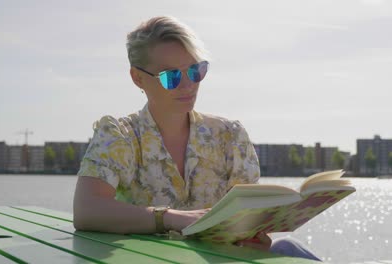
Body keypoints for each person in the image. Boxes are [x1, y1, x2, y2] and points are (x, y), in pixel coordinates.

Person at [73, 16, 321, 261]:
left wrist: (255, 236)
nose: (188, 85)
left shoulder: (230, 136)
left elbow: (248, 219)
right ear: (138, 78)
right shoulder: (120, 136)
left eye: (195, 71)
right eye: (171, 76)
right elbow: (86, 210)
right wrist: (172, 218)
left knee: (289, 248)